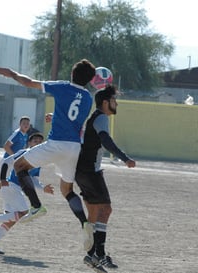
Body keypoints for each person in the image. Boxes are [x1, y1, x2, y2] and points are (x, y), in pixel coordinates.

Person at [0, 59, 96, 249]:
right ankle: (84, 222)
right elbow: (73, 118)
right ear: (89, 80)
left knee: (19, 166)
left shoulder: (63, 87)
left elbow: (28, 82)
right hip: (74, 148)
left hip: (56, 143)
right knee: (67, 190)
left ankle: (36, 205)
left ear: (72, 74)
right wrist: (55, 117)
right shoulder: (89, 98)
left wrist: (12, 73)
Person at [75, 85, 136, 272]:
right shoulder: (101, 117)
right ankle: (99, 254)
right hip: (90, 172)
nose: (116, 103)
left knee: (94, 213)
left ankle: (92, 254)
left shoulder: (94, 117)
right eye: (114, 100)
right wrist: (125, 158)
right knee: (106, 209)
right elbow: (106, 141)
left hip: (81, 171)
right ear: (105, 102)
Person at [0, 133, 54, 254]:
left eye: (40, 141)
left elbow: (34, 179)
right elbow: (6, 161)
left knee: (10, 221)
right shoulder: (24, 152)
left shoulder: (40, 160)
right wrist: (3, 179)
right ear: (30, 143)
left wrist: (43, 187)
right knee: (24, 213)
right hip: (11, 186)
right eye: (35, 141)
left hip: (14, 189)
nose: (38, 143)